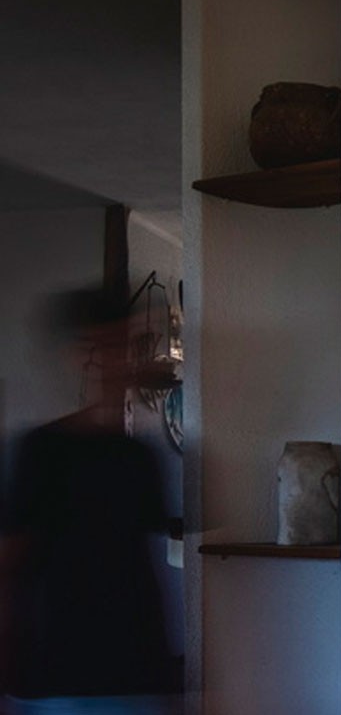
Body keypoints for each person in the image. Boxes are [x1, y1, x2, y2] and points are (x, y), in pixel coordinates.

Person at [0, 287, 176, 715]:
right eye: (97, 348)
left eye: (119, 346)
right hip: (58, 674)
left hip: (136, 672)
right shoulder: (42, 450)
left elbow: (146, 566)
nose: (110, 361)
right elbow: (10, 565)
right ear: (76, 355)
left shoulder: (139, 456)